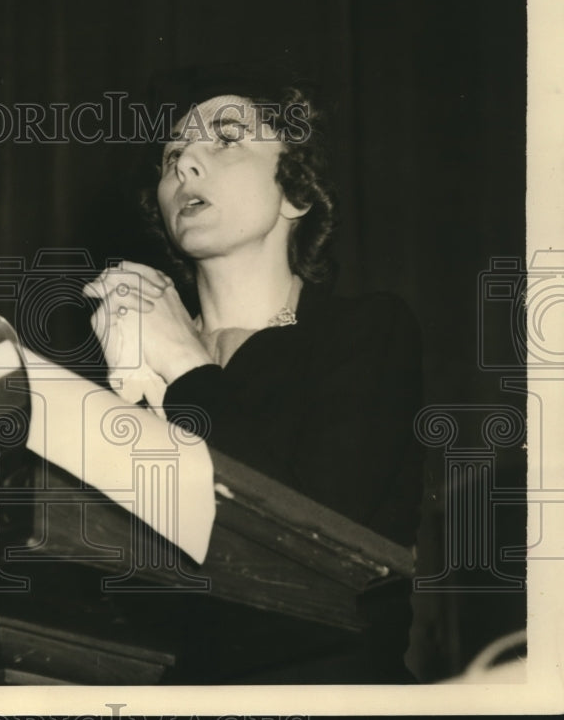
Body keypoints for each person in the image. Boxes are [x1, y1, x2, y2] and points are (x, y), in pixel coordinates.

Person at [85, 77, 424, 683]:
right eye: (171, 157)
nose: (185, 161)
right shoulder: (120, 367)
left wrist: (186, 367)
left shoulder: (367, 330)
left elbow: (315, 540)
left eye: (227, 138)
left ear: (296, 192)